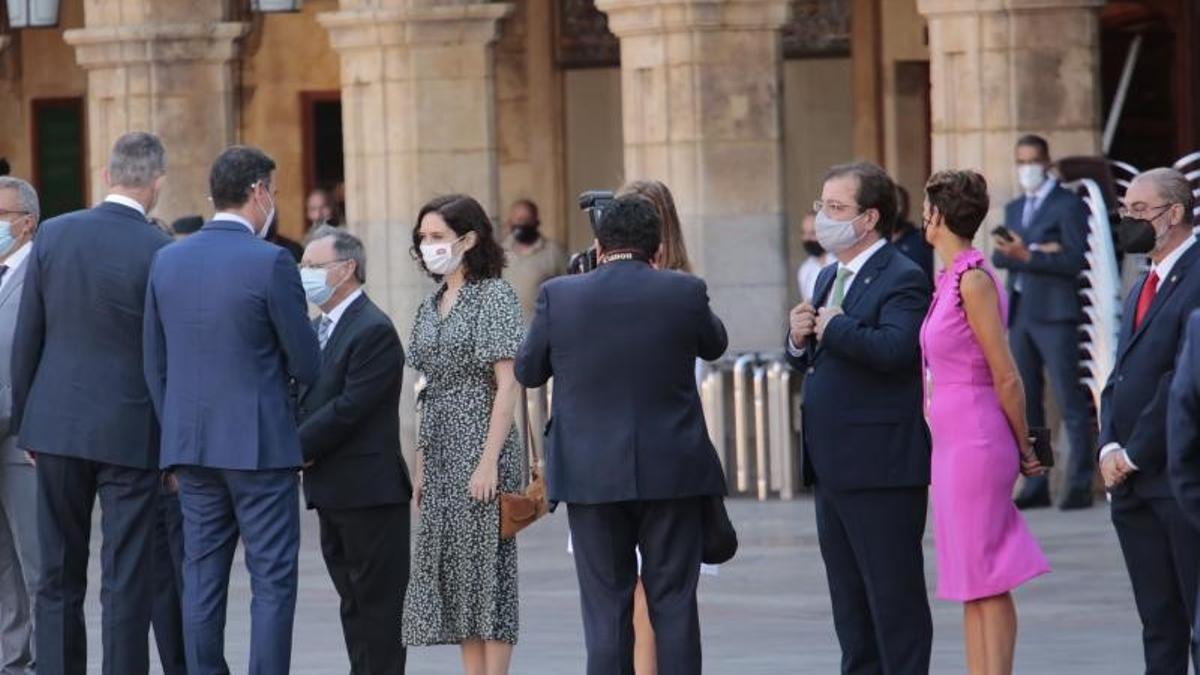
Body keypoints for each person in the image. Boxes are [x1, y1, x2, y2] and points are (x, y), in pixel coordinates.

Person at [516, 194, 727, 675]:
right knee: (673, 604)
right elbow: (715, 342)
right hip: (672, 470)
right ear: (656, 248)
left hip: (591, 475)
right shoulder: (684, 290)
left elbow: (529, 371)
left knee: (606, 609)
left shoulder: (561, 294)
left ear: (598, 244)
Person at [143, 145, 320, 675]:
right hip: (260, 446)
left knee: (201, 576)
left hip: (192, 446)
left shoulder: (167, 258)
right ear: (259, 193)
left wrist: (174, 436)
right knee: (271, 579)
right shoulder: (271, 261)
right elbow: (307, 360)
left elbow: (154, 362)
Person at [10, 131, 172, 675]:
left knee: (56, 572)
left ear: (107, 176)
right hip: (132, 430)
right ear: (158, 183)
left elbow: (30, 332)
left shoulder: (54, 233)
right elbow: (165, 351)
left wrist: (30, 420)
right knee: (126, 574)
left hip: (55, 426)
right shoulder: (161, 249)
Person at [786, 162, 933, 674]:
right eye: (820, 206)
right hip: (832, 464)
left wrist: (836, 327)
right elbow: (818, 354)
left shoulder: (903, 275)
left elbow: (897, 350)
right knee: (850, 606)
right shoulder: (830, 274)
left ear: (869, 218)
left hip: (881, 465)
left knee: (893, 599)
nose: (823, 218)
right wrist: (798, 336)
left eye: (835, 208)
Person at [920, 170, 1051, 674]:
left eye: (928, 210)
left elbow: (1007, 375)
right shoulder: (950, 276)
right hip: (953, 440)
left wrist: (1025, 446)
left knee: (989, 573)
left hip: (977, 436)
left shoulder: (972, 280)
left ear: (938, 217)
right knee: (972, 577)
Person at [402, 194, 525, 675]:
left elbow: (508, 381)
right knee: (456, 577)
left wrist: (489, 460)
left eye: (437, 237)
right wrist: (420, 463)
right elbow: (422, 387)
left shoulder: (493, 294)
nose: (428, 246)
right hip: (441, 447)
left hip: (480, 441)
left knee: (486, 574)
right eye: (423, 238)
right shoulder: (430, 305)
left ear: (468, 239)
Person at [298, 226, 413, 675]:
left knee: (379, 610)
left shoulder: (373, 329)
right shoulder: (315, 328)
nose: (304, 274)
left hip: (370, 492)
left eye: (313, 266)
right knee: (353, 604)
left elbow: (351, 408)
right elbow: (300, 393)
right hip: (331, 490)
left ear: (346, 269)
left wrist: (294, 446)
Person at [1099, 168, 1200, 674]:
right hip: (1132, 484)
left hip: (1174, 478)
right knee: (1158, 621)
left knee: (1193, 617)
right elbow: (1119, 377)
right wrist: (1106, 447)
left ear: (1175, 213)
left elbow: (1180, 379)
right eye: (1125, 212)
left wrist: (1134, 452)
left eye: (1139, 211)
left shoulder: (1197, 274)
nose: (1129, 221)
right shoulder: (1143, 282)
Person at [992, 134, 1094, 510]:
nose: (1026, 168)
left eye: (1032, 160)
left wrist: (1026, 253)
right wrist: (1032, 251)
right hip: (1021, 314)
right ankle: (1037, 482)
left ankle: (1079, 482)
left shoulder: (1067, 205)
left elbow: (1074, 260)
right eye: (1020, 161)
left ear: (1047, 161)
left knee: (1069, 399)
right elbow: (999, 258)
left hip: (1056, 314)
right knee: (1028, 402)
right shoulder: (1015, 207)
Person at [0, 176, 39, 675]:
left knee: (36, 562)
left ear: (26, 222)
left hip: (21, 442)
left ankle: (46, 658)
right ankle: (12, 658)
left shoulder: (42, 274)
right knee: (2, 566)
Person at [500, 199, 567, 323]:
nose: (522, 224)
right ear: (510, 223)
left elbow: (569, 289)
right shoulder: (501, 252)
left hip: (542, 331)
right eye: (518, 220)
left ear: (536, 222)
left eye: (527, 220)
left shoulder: (553, 252)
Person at [893, 184, 934, 280]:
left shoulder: (922, 240)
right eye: (892, 205)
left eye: (900, 204)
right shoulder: (876, 243)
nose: (898, 210)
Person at [795, 209, 828, 303]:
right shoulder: (805, 269)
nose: (807, 238)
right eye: (804, 233)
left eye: (813, 233)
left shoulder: (842, 263)